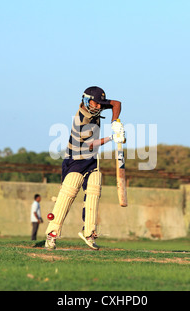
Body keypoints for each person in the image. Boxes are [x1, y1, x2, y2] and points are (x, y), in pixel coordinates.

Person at [45, 86, 125, 250]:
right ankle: (51, 234)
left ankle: (89, 233)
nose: (98, 107)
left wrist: (115, 122)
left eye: (100, 104)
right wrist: (112, 137)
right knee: (68, 196)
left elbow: (117, 103)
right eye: (95, 104)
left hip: (92, 160)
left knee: (94, 192)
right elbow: (90, 145)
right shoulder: (81, 120)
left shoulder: (97, 106)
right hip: (75, 160)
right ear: (86, 100)